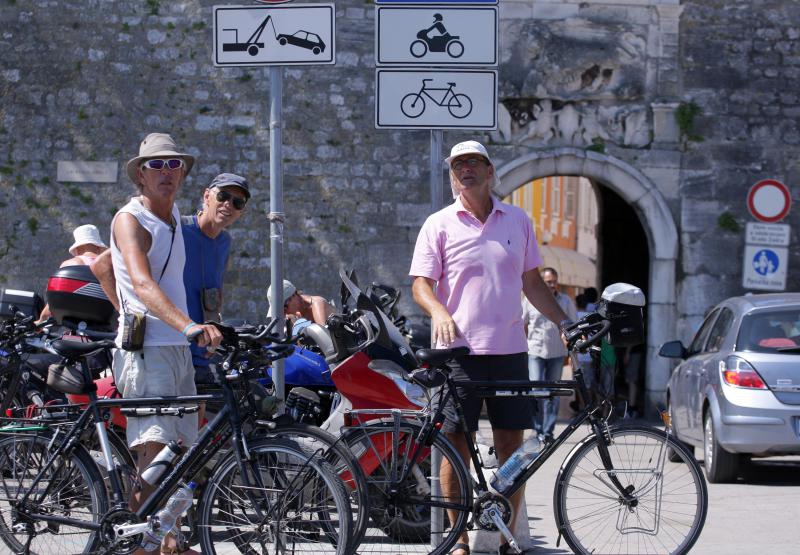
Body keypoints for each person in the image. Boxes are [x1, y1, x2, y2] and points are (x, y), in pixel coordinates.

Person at [409, 140, 571, 555]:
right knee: (455, 448)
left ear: (489, 170)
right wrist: (440, 313)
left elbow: (532, 283)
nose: (466, 170)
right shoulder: (439, 223)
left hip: (510, 352)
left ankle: (506, 538)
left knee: (512, 449)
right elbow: (421, 284)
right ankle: (458, 541)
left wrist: (565, 322)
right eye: (458, 164)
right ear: (452, 175)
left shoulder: (517, 221)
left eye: (473, 163)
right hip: (457, 354)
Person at [94, 132, 221, 555]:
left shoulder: (173, 215)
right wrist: (177, 323)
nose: (166, 173)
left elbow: (104, 265)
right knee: (153, 456)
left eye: (174, 165)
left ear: (183, 173)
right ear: (141, 175)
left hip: (176, 348)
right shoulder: (131, 220)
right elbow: (143, 283)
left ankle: (168, 541)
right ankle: (138, 546)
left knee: (181, 453)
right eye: (156, 166)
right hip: (150, 351)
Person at [182, 172, 250, 384]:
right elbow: (109, 264)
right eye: (223, 196)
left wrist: (216, 333)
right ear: (207, 196)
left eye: (237, 202)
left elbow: (214, 292)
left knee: (199, 415)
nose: (229, 205)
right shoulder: (177, 229)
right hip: (171, 347)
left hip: (202, 350)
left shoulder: (225, 242)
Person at [524, 267, 577, 443]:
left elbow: (573, 324)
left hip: (556, 354)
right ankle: (537, 429)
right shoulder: (529, 300)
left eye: (554, 281)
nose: (552, 285)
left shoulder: (566, 301)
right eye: (548, 282)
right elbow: (522, 324)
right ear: (542, 282)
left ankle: (548, 432)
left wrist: (571, 353)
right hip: (535, 351)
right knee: (536, 392)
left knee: (552, 394)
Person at [37, 224, 108, 322]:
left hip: (74, 323)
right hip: (103, 321)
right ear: (99, 248)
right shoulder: (110, 265)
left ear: (77, 249)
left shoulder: (69, 264)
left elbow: (54, 302)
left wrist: (42, 319)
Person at [267, 279, 335, 334]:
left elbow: (325, 336)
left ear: (294, 295)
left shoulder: (317, 304)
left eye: (284, 307)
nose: (284, 313)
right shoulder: (293, 316)